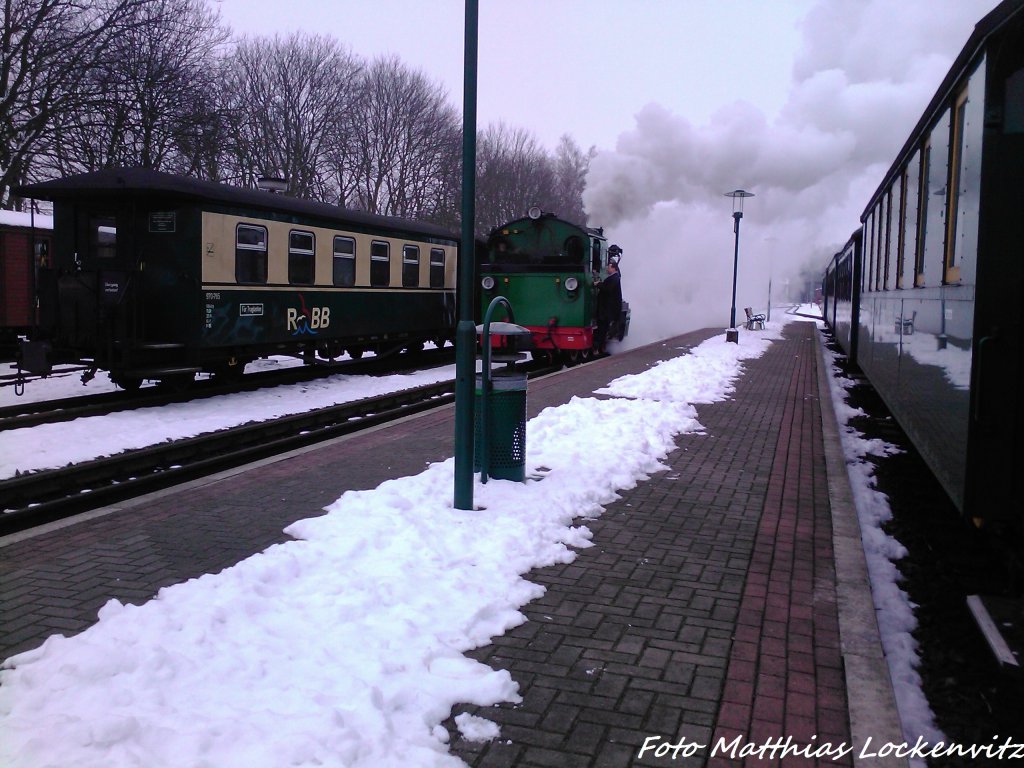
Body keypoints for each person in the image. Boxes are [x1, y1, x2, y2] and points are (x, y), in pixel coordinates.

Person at [594, 259, 622, 354]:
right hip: (606, 308)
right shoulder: (613, 277)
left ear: (613, 268)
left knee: (603, 327)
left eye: (608, 266)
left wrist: (598, 284)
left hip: (607, 309)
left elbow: (608, 289)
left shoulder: (614, 278)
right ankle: (599, 346)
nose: (607, 268)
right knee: (602, 327)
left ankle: (598, 346)